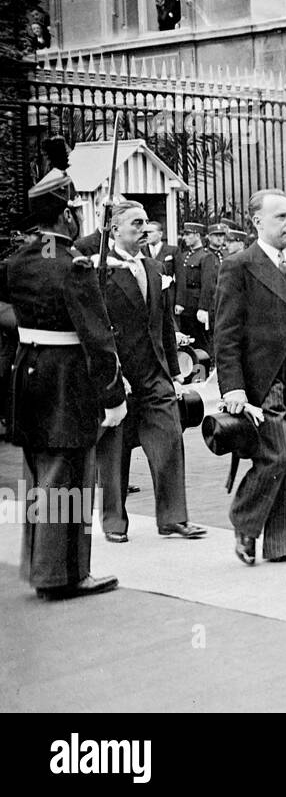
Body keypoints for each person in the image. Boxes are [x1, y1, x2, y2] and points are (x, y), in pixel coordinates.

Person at [1, 144, 128, 599]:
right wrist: (112, 395)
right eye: (73, 209)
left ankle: (43, 567)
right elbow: (97, 339)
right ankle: (62, 575)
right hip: (66, 380)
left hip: (28, 372)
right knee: (69, 474)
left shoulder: (18, 261)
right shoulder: (73, 265)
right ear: (66, 215)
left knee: (41, 474)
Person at [214, 189, 286, 566]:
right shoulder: (239, 266)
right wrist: (232, 387)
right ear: (257, 222)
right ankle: (245, 523)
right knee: (276, 457)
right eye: (280, 217)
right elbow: (226, 334)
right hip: (262, 382)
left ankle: (282, 542)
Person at [93, 200, 205, 543]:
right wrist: (113, 373)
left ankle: (173, 518)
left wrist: (173, 372)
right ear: (114, 230)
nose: (143, 229)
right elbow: (96, 329)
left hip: (155, 374)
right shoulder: (99, 271)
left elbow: (165, 326)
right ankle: (114, 521)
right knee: (115, 448)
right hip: (119, 374)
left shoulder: (154, 268)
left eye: (145, 223)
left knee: (170, 438)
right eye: (135, 224)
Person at [175, 222, 216, 357]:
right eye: (184, 235)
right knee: (186, 341)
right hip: (185, 304)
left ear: (197, 235)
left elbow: (208, 284)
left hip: (197, 303)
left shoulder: (206, 256)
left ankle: (203, 370)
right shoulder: (183, 255)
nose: (184, 238)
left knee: (201, 342)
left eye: (188, 234)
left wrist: (203, 307)